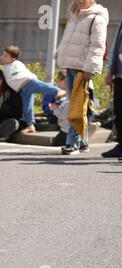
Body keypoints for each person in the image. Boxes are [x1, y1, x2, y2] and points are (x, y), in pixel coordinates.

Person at [56, 0, 108, 155]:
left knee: (77, 107)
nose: (80, 1)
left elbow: (98, 45)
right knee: (77, 105)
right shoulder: (74, 15)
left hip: (83, 69)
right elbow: (67, 41)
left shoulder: (96, 17)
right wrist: (63, 59)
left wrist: (90, 68)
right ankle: (83, 142)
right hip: (71, 66)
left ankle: (73, 143)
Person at [1, 45, 66, 134]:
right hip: (22, 89)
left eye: (5, 56)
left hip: (28, 82)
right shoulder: (6, 67)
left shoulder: (16, 64)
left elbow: (22, 74)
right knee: (27, 108)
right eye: (3, 55)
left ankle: (58, 91)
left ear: (13, 58)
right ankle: (30, 126)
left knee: (43, 87)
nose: (2, 57)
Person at [102, 17, 122, 158]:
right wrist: (110, 71)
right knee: (119, 110)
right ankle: (121, 145)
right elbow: (116, 46)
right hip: (120, 73)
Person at [48, 70, 70, 146]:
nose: (56, 82)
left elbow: (63, 115)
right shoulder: (67, 96)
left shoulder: (66, 99)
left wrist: (55, 109)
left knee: (55, 143)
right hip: (67, 127)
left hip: (66, 129)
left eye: (58, 80)